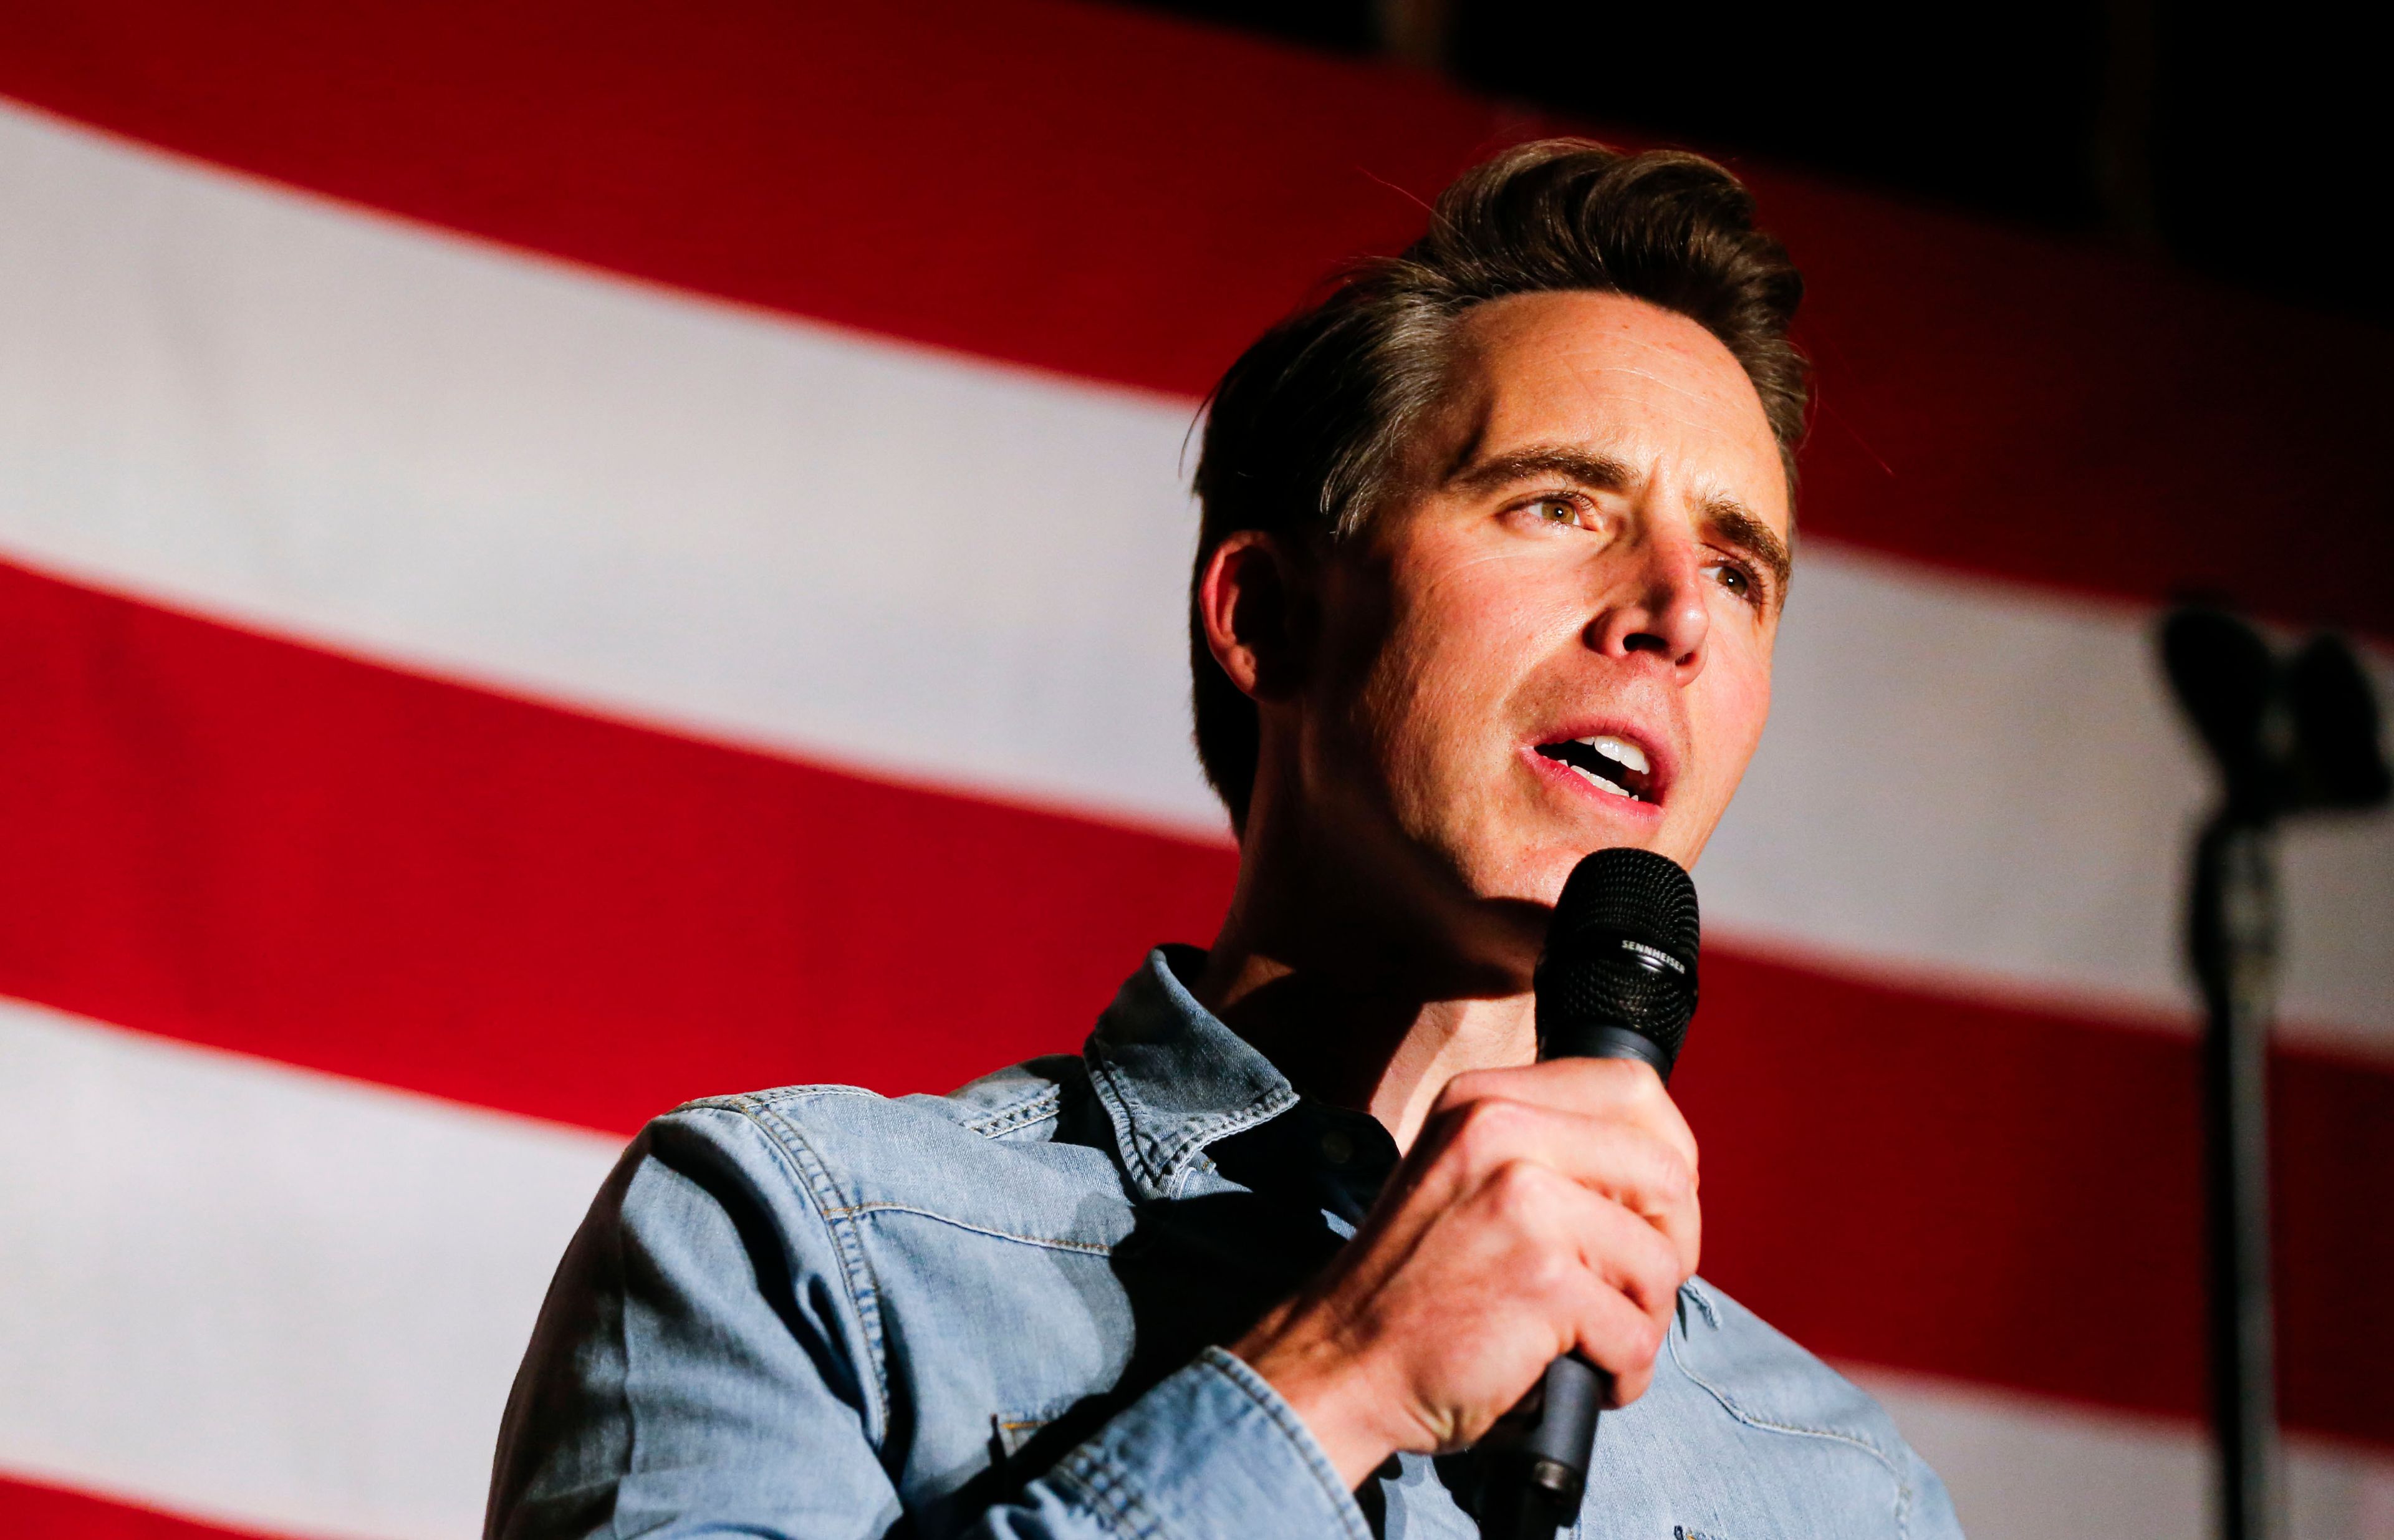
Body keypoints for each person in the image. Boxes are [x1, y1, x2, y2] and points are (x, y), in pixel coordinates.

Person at [484, 139, 1963, 1540]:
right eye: (1559, 502)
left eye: (1737, 566)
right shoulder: (801, 1242)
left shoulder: (1842, 1491)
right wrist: (1334, 1377)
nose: (1675, 614)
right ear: (1266, 615)